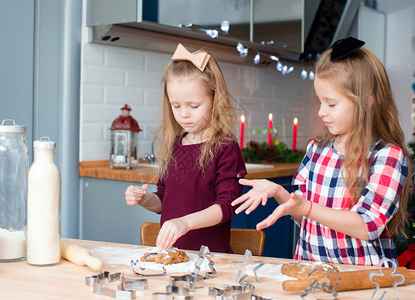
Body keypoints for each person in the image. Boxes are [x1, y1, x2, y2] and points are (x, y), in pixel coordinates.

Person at [232, 37, 411, 266]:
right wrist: (278, 192)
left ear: (366, 103)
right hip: (312, 274)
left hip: (365, 280)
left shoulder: (387, 156)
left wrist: (306, 207)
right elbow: (303, 214)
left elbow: (367, 225)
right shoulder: (316, 150)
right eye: (319, 102)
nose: (321, 112)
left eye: (331, 104)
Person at [125, 43, 246, 253]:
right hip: (174, 257)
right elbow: (163, 201)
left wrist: (185, 223)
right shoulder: (174, 145)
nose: (184, 114)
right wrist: (144, 199)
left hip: (211, 259)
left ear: (215, 99)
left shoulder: (225, 147)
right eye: (176, 105)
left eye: (194, 106)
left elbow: (227, 206)